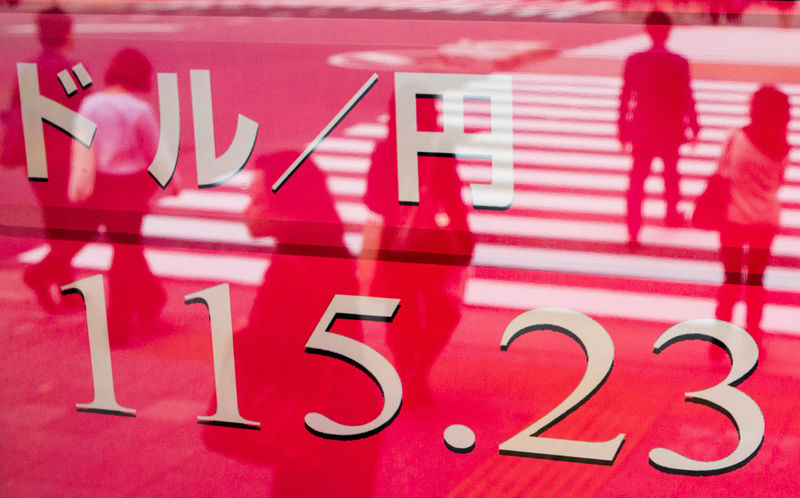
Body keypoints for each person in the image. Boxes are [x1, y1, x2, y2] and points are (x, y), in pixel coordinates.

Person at [68, 48, 165, 343]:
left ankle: (150, 300)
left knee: (126, 249)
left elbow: (81, 145)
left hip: (101, 186)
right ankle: (120, 325)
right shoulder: (140, 110)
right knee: (125, 253)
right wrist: (172, 183)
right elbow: (155, 151)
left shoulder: (90, 104)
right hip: (132, 187)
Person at [15, 6, 87, 310]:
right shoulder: (74, 70)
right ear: (67, 33)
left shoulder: (27, 69)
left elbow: (17, 114)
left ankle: (67, 293)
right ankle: (39, 273)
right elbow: (86, 110)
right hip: (64, 158)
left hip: (35, 158)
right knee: (84, 225)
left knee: (56, 224)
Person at [715, 85, 791, 344]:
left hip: (734, 218)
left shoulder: (736, 137)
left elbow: (723, 173)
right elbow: (779, 181)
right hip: (766, 219)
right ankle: (753, 332)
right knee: (757, 278)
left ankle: (720, 336)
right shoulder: (783, 146)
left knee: (731, 278)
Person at [618, 10, 700, 250]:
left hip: (642, 126)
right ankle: (672, 213)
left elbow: (625, 97)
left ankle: (633, 228)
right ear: (668, 31)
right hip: (670, 127)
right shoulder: (679, 62)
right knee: (671, 173)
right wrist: (694, 125)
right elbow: (686, 95)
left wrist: (622, 129)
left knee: (637, 178)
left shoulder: (634, 60)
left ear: (647, 31)